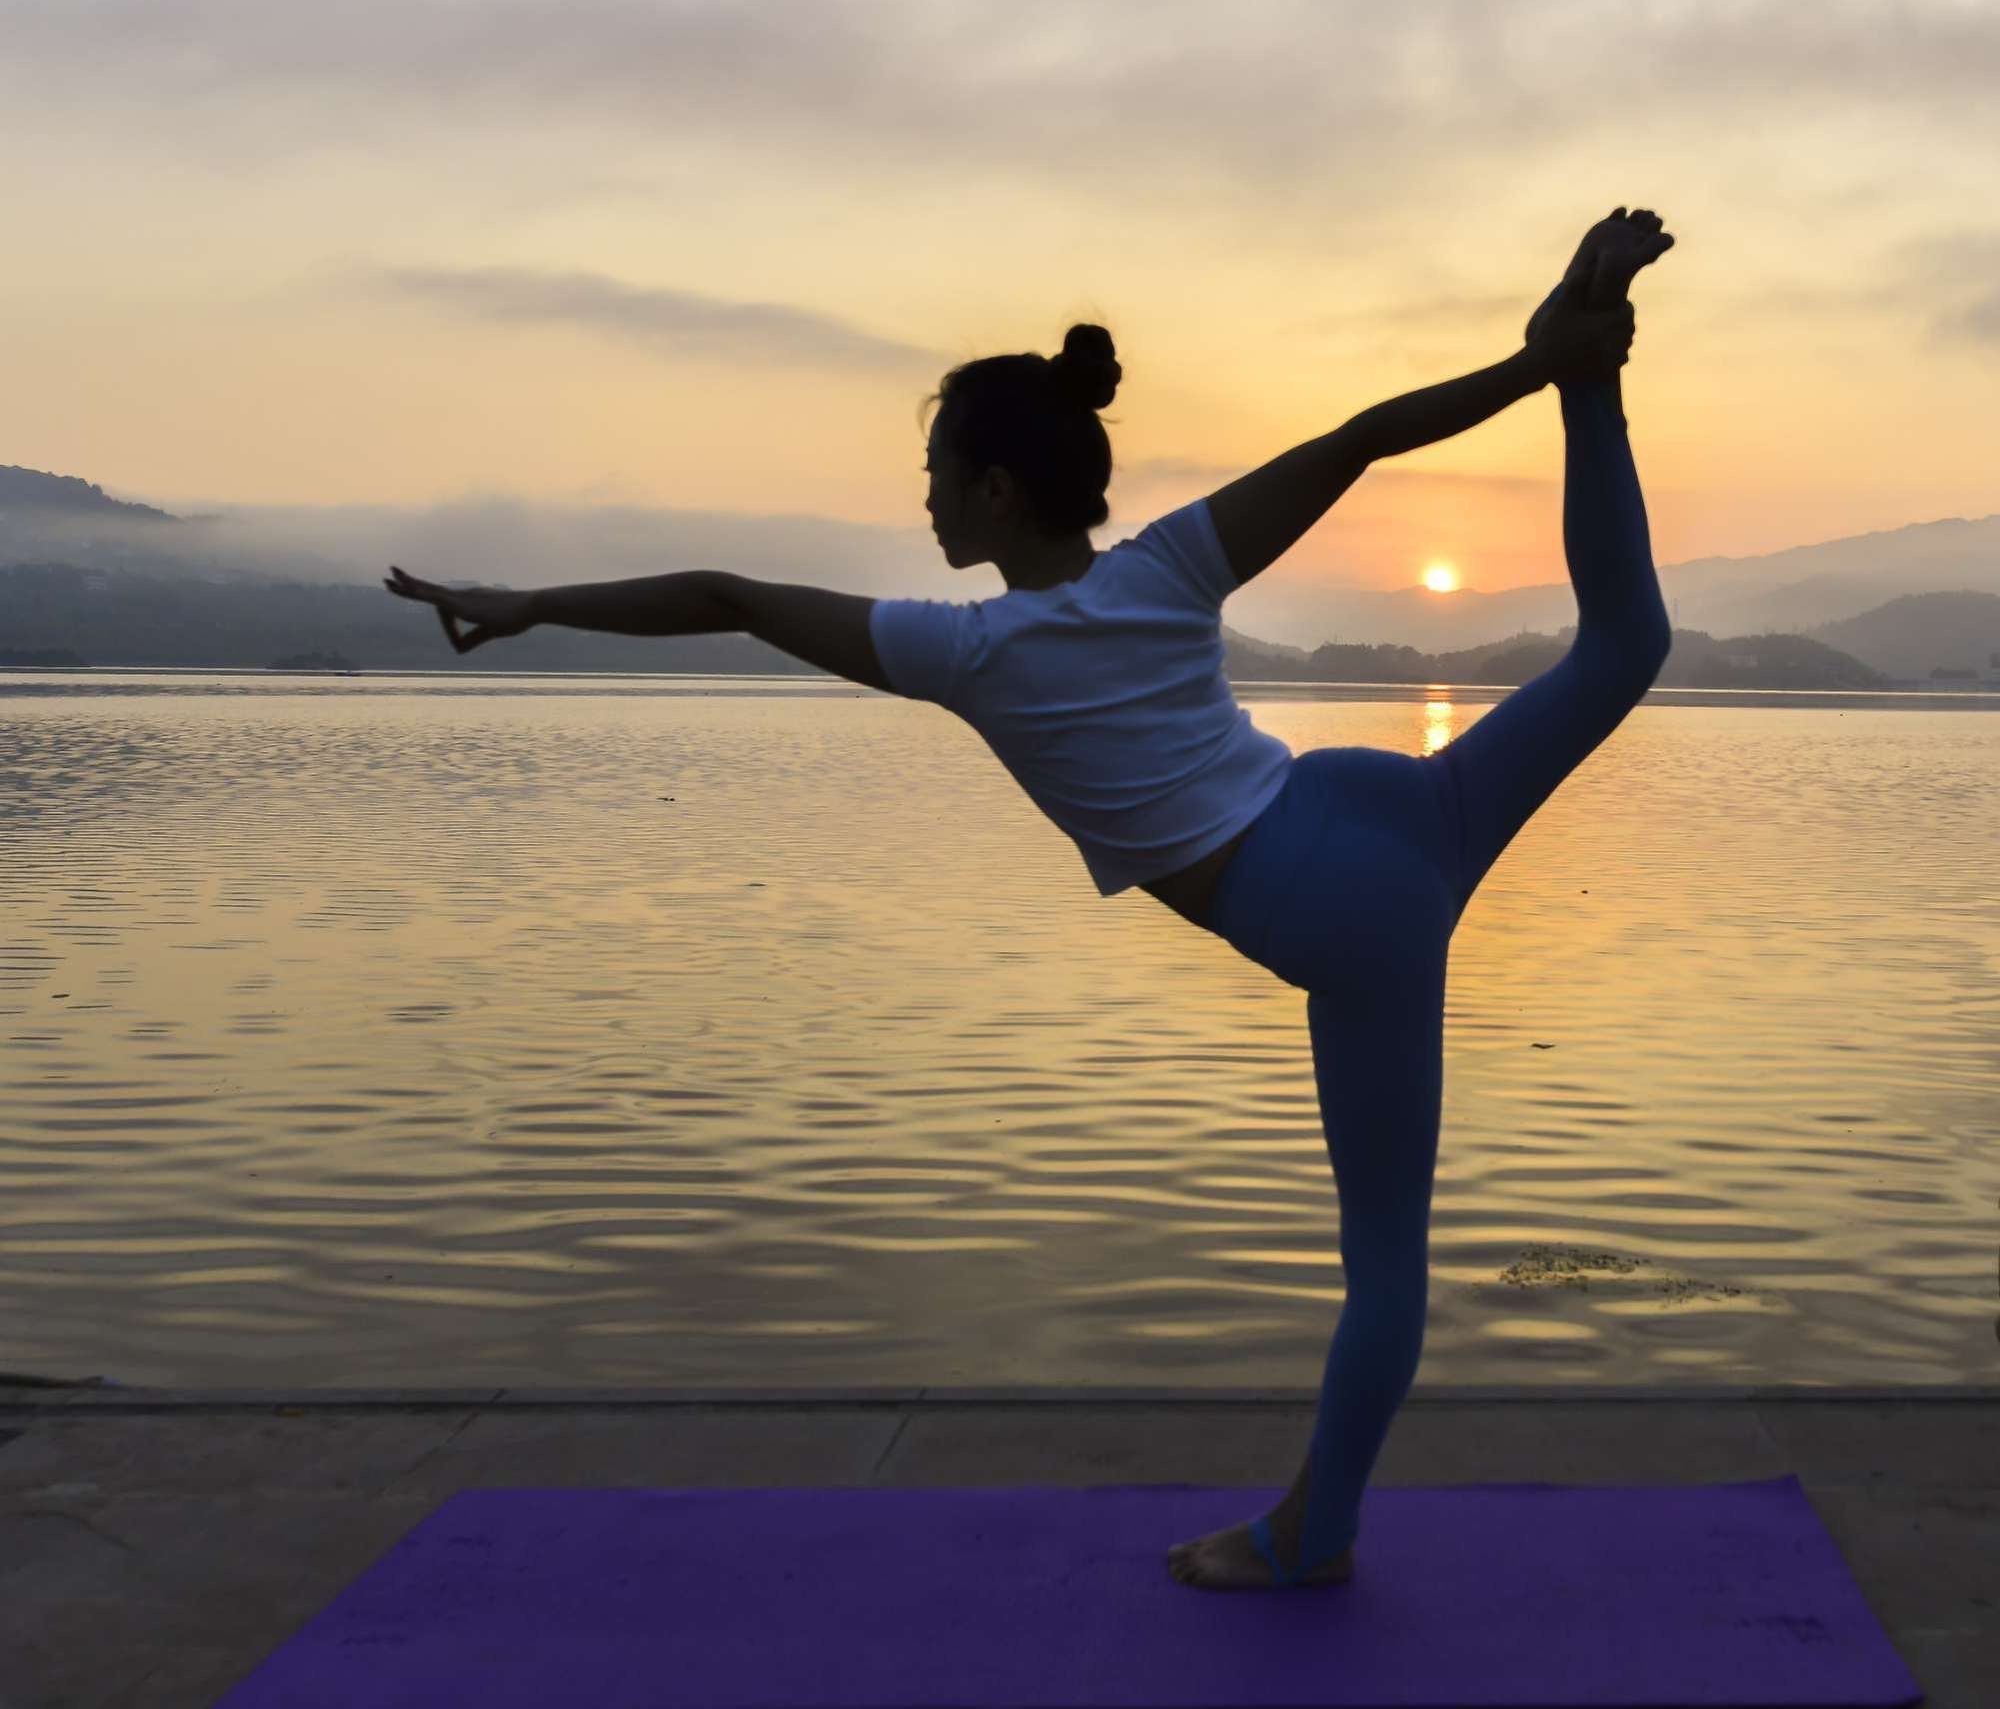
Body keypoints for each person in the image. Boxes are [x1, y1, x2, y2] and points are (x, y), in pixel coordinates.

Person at [385, 205, 1677, 1592]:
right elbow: (1358, 439)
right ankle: (1595, 379)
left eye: (936, 473)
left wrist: (525, 604)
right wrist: (1536, 368)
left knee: (1385, 1266)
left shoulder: (965, 650)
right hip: (1390, 811)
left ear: (997, 490)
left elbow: (725, 594)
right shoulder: (1167, 566)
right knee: (1625, 644)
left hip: (1343, 906)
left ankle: (1315, 1537)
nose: (925, 500)